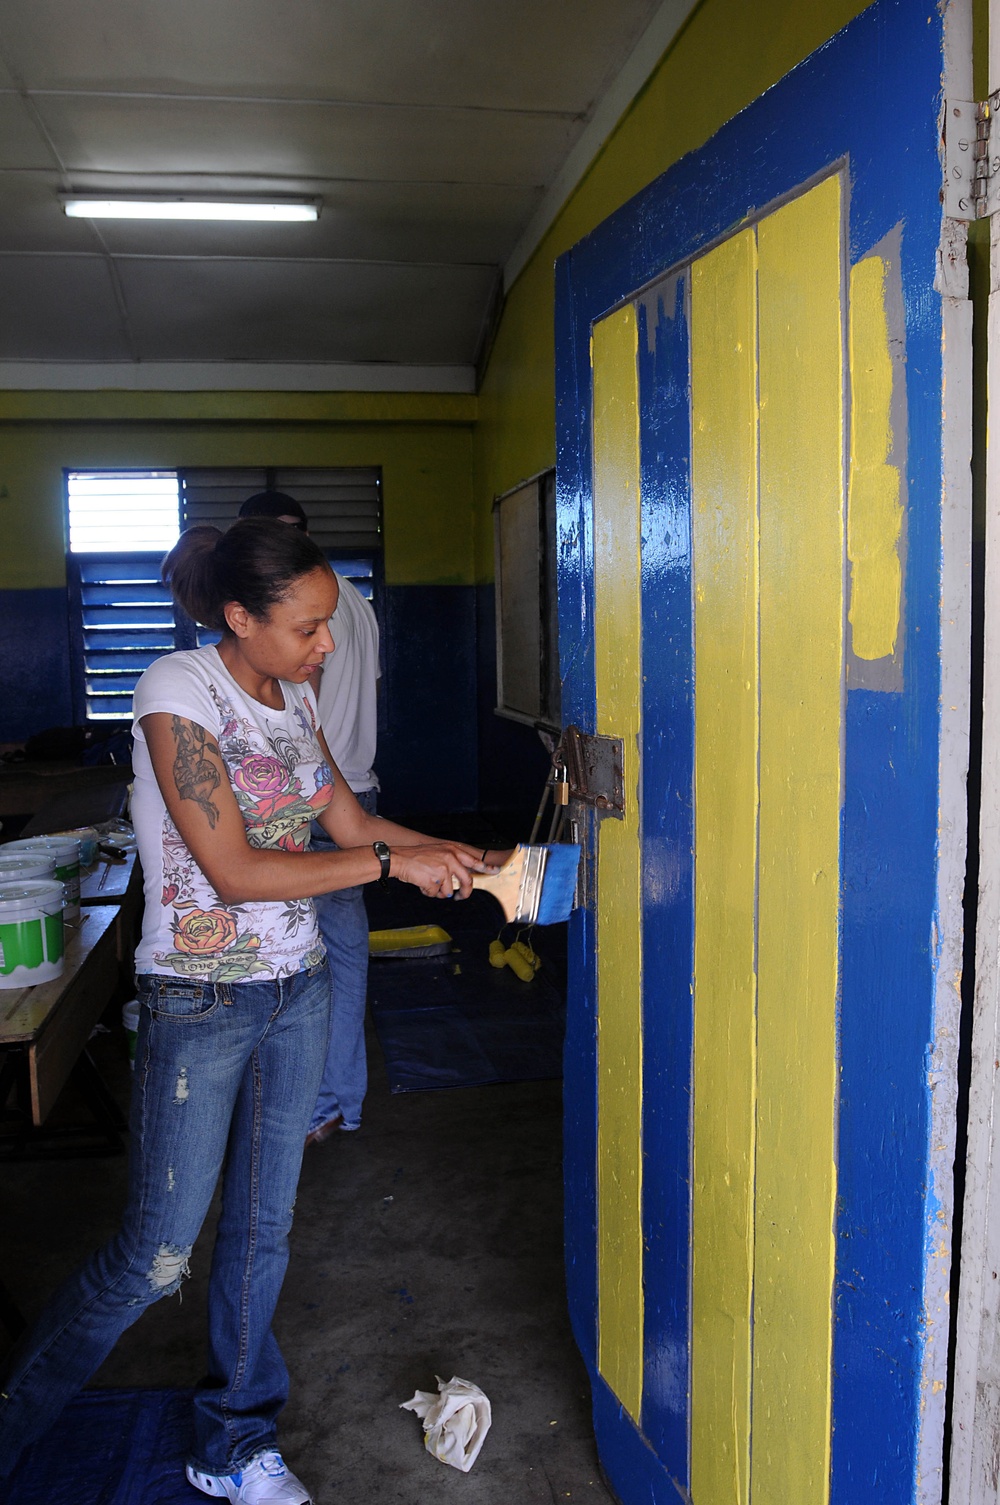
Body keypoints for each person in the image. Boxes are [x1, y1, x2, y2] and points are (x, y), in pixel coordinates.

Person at [0, 519, 491, 1505]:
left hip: (297, 990)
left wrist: (463, 854)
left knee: (263, 1234)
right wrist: (396, 863)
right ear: (240, 616)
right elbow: (232, 869)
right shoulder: (177, 691)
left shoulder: (294, 696)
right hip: (201, 999)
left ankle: (232, 1438)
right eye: (308, 626)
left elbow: (347, 823)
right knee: (153, 1255)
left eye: (328, 624)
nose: (328, 644)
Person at [237, 491, 379, 1144]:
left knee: (304, 963)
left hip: (311, 802)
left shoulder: (301, 611)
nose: (318, 643)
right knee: (338, 958)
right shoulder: (355, 602)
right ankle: (334, 1100)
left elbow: (301, 715)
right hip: (357, 789)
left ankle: (312, 1103)